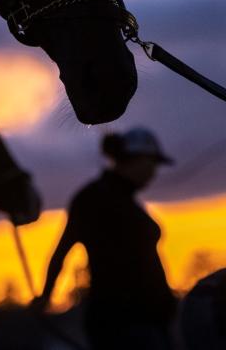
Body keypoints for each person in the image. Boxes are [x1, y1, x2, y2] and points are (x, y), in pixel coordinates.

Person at [32, 127, 177, 349]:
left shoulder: (116, 199)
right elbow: (62, 251)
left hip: (146, 321)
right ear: (134, 159)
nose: (153, 172)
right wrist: (45, 297)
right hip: (124, 325)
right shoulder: (94, 198)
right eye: (152, 162)